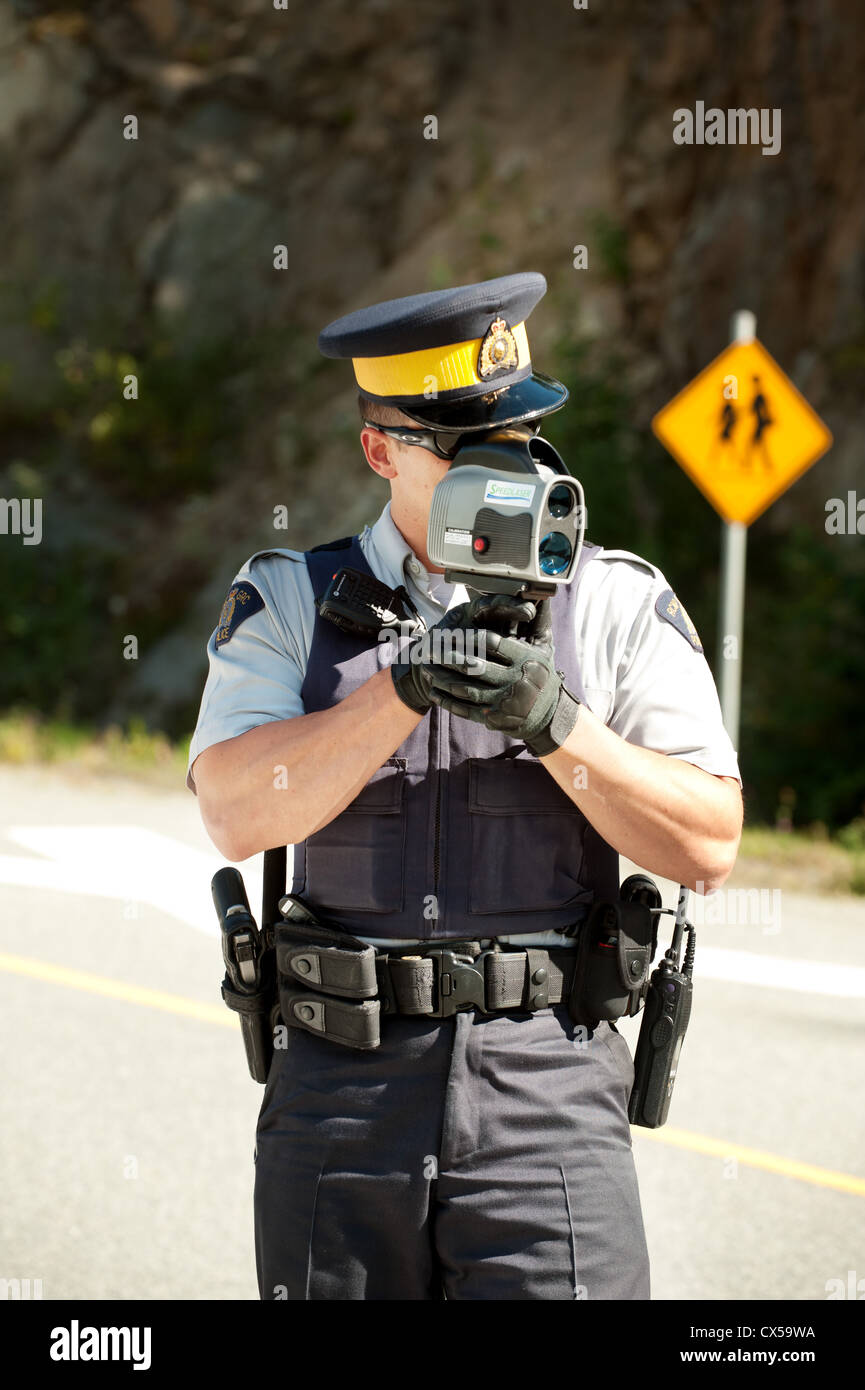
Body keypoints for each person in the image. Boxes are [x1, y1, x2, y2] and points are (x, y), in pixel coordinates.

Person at [188, 271, 742, 1301]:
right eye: (460, 443)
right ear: (378, 449)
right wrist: (397, 689)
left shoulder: (616, 601)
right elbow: (233, 811)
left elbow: (708, 845)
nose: (502, 464)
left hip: (549, 1091)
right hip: (341, 1093)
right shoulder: (291, 600)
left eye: (516, 434)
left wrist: (559, 724)